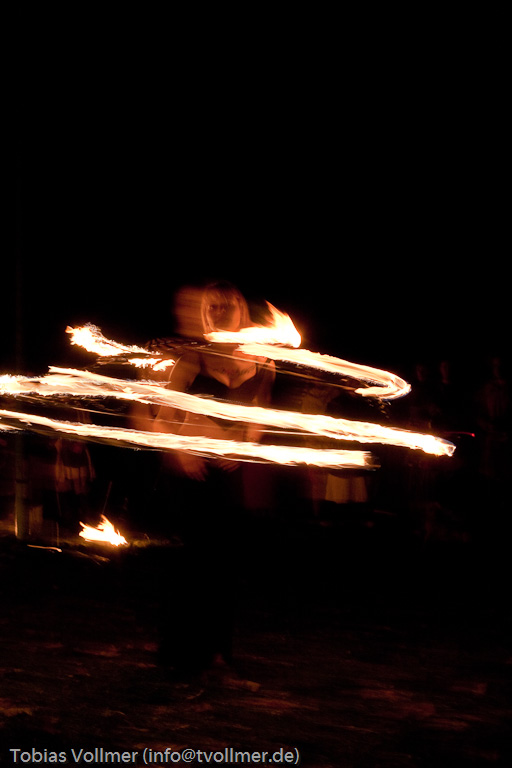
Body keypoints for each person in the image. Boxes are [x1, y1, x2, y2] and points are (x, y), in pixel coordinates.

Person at [143, 281, 276, 681]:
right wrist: (183, 453)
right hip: (193, 470)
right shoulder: (192, 359)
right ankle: (182, 651)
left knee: (225, 562)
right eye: (212, 308)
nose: (219, 313)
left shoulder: (262, 362)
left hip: (227, 471)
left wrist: (244, 448)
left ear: (240, 311)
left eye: (226, 307)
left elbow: (260, 414)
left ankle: (218, 650)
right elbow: (162, 418)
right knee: (194, 562)